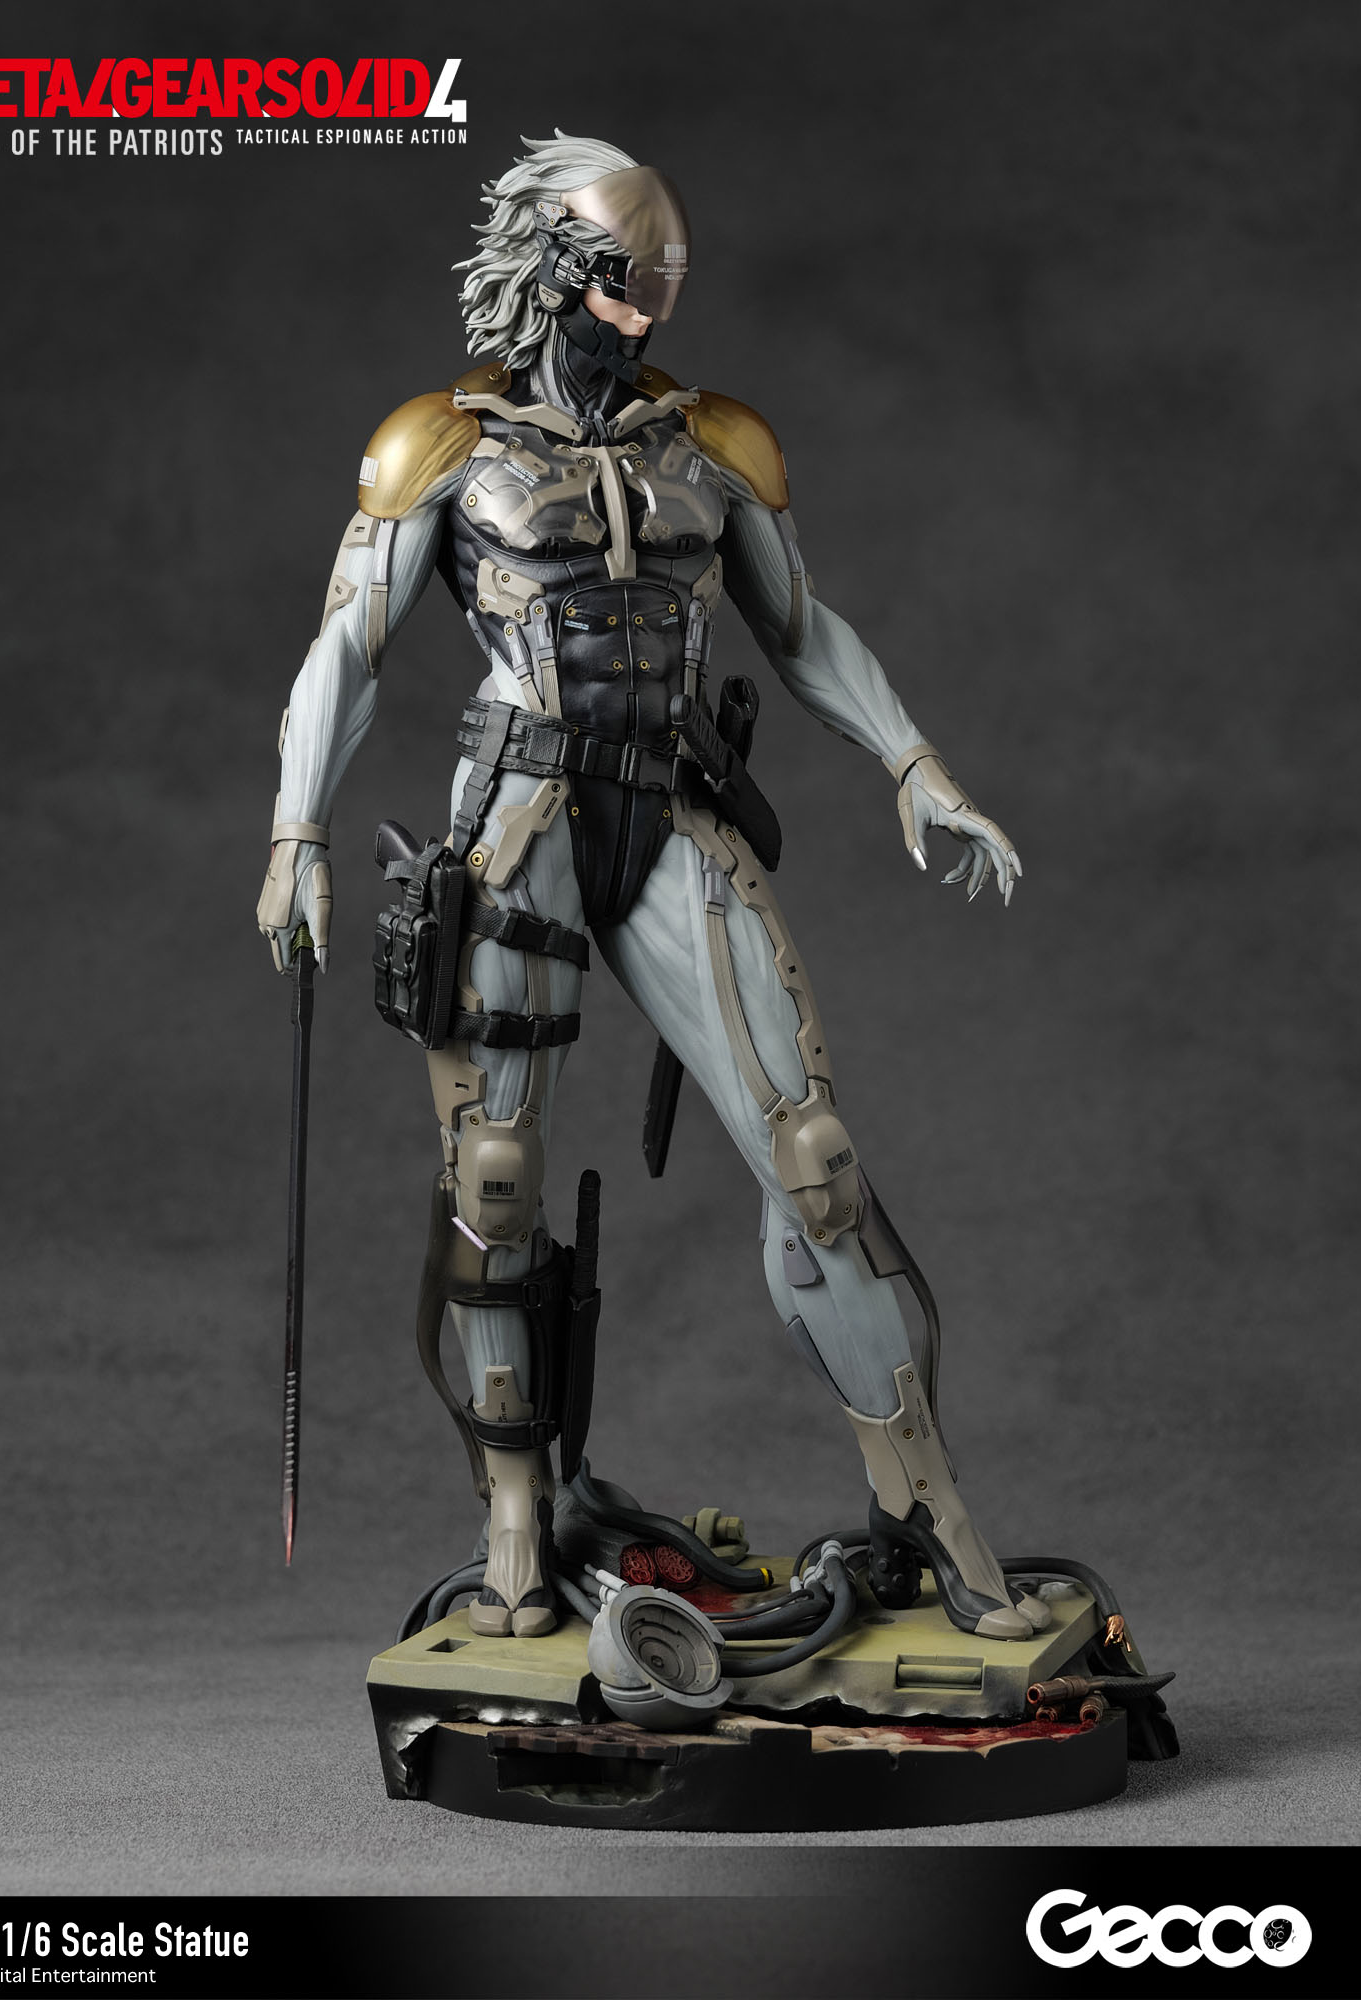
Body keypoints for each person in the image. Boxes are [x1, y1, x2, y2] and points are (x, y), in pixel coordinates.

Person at [257, 133, 1048, 1646]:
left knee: (813, 1158)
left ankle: (931, 1509)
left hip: (671, 809)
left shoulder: (711, 444)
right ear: (560, 272)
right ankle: (513, 1521)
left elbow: (803, 630)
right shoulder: (443, 448)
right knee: (495, 1182)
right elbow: (343, 652)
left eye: (661, 286)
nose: (648, 314)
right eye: (627, 282)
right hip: (520, 819)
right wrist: (297, 833)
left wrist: (914, 764)